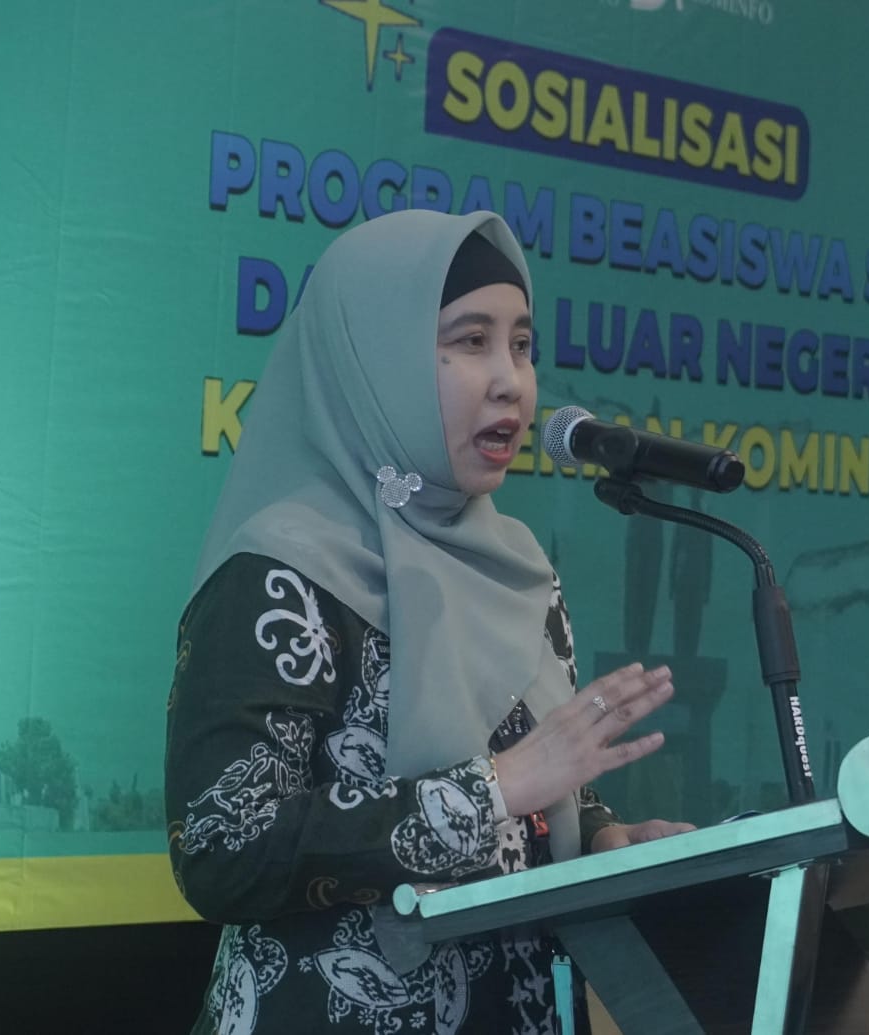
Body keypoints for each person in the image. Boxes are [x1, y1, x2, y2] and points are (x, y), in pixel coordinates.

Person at [165, 210, 694, 1034]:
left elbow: (538, 787)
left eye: (522, 344)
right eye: (471, 340)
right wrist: (496, 789)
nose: (511, 381)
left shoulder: (520, 570)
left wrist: (602, 836)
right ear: (375, 357)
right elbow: (224, 849)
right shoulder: (278, 574)